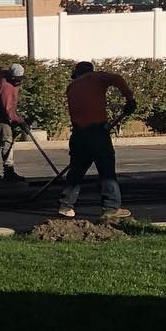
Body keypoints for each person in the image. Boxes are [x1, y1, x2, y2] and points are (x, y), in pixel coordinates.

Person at [58, 60, 135, 220]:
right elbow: (117, 79)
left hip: (78, 134)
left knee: (77, 170)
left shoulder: (72, 87)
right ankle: (111, 207)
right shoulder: (96, 77)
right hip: (97, 132)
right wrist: (129, 99)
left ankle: (66, 205)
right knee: (106, 170)